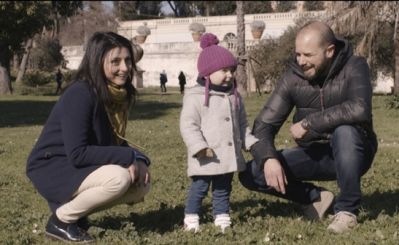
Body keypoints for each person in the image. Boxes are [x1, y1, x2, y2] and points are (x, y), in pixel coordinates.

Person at [239, 21, 378, 234]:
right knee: (252, 172)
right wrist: (268, 158)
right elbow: (263, 126)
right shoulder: (293, 77)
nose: (301, 61)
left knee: (345, 131)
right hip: (315, 154)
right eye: (298, 54)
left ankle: (347, 211)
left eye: (308, 55)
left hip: (355, 151)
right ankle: (315, 198)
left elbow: (359, 109)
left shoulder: (355, 66)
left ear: (329, 51)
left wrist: (309, 123)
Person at [26, 32, 151, 243]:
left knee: (141, 184)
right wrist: (129, 156)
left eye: (128, 60)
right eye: (116, 61)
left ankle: (76, 213)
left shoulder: (114, 95)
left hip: (77, 163)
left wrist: (139, 159)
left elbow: (115, 140)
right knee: (119, 178)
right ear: (97, 61)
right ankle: (61, 221)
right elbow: (78, 153)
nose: (125, 68)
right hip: (53, 166)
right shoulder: (80, 93)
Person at [180, 33, 258, 233]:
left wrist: (249, 142)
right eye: (224, 70)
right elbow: (189, 125)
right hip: (205, 156)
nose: (230, 75)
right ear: (207, 73)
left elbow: (242, 124)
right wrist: (199, 147)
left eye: (231, 70)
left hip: (227, 156)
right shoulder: (195, 97)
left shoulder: (234, 97)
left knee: (223, 188)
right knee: (199, 188)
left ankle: (221, 215)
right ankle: (191, 216)